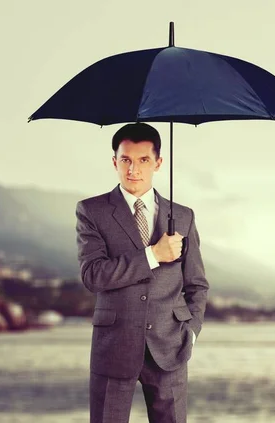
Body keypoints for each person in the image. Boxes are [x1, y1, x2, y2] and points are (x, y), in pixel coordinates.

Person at [75, 122, 209, 423]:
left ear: (158, 163)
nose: (133, 169)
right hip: (114, 347)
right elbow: (93, 275)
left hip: (170, 347)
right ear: (114, 161)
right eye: (125, 160)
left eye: (143, 160)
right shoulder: (91, 211)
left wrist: (192, 332)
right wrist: (153, 255)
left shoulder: (183, 216)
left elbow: (197, 284)